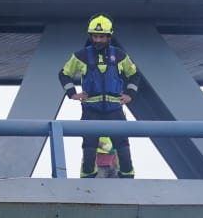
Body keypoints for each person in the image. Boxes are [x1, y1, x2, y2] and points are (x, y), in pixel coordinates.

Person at [59, 14, 142, 178]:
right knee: (89, 149)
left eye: (101, 36)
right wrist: (72, 94)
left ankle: (128, 180)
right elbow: (63, 74)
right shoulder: (80, 56)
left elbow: (135, 74)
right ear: (90, 36)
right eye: (95, 36)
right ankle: (87, 182)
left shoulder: (120, 56)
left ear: (109, 36)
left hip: (114, 110)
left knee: (123, 148)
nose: (98, 40)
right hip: (91, 110)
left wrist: (130, 94)